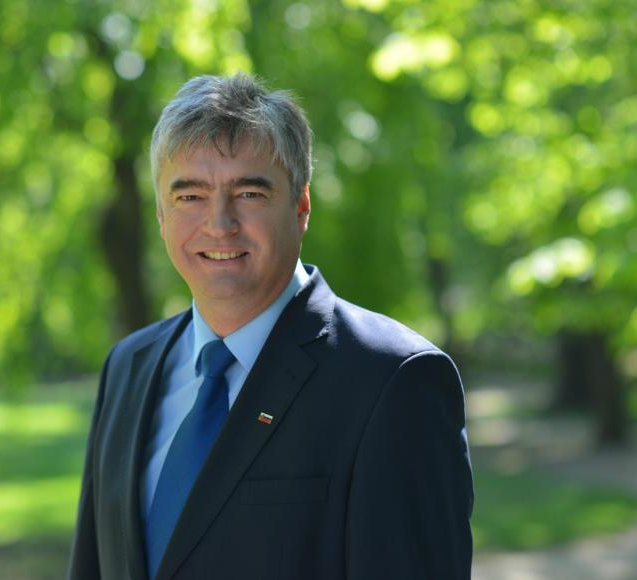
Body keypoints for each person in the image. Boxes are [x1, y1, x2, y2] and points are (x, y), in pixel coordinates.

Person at [68, 73, 473, 580]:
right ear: (160, 214)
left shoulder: (393, 380)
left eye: (249, 193)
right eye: (190, 196)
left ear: (301, 207)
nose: (220, 223)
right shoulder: (128, 367)